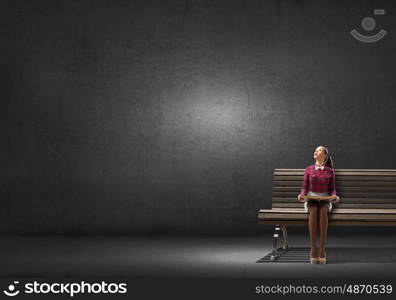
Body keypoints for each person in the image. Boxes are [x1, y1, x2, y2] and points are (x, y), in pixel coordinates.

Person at [297, 146, 340, 264]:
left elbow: (332, 189)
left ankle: (322, 249)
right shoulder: (308, 169)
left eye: (319, 150)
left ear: (325, 156)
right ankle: (313, 249)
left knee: (322, 212)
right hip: (311, 198)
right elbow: (304, 188)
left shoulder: (330, 171)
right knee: (314, 211)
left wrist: (335, 196)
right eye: (315, 150)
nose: (316, 151)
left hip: (325, 198)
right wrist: (301, 195)